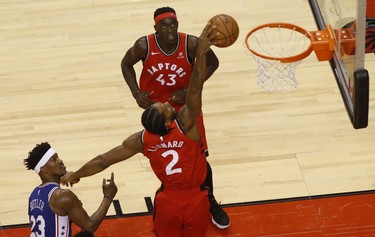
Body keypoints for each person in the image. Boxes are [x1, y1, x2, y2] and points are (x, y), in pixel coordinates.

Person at [61, 23, 219, 237]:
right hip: (196, 199)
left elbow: (102, 160)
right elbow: (196, 87)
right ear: (167, 122)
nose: (165, 103)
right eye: (164, 108)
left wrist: (76, 174)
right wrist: (201, 51)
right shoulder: (186, 126)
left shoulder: (143, 139)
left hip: (168, 201)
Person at [120, 6, 230, 229]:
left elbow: (214, 63)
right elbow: (125, 64)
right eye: (164, 26)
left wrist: (189, 90)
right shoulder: (144, 45)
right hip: (157, 111)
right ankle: (173, 195)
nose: (169, 30)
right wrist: (136, 93)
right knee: (163, 154)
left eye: (173, 24)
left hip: (185, 109)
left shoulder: (189, 44)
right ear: (155, 28)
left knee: (200, 158)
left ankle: (209, 201)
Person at [24, 142, 118, 237]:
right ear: (44, 169)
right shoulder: (62, 196)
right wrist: (108, 196)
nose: (60, 160)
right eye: (54, 159)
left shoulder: (34, 194)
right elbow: (90, 226)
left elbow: (50, 223)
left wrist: (69, 213)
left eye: (58, 157)